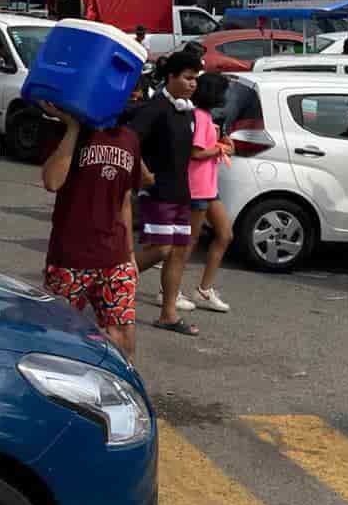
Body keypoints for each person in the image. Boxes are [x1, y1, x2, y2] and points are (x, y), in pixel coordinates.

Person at [39, 105, 141, 359]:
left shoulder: (129, 138)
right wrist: (73, 128)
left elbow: (124, 200)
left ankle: (111, 392)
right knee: (57, 337)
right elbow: (52, 182)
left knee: (123, 338)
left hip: (115, 257)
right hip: (70, 257)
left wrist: (130, 254)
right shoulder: (67, 133)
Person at [129, 47, 206, 335]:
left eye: (195, 79)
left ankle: (168, 315)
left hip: (181, 193)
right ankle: (109, 284)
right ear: (171, 77)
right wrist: (145, 175)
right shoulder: (155, 108)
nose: (192, 84)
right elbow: (130, 142)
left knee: (178, 252)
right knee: (159, 249)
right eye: (187, 78)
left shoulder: (187, 111)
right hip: (158, 192)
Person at [186, 72, 234, 313]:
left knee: (225, 234)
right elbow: (196, 153)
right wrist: (218, 148)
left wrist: (222, 147)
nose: (226, 97)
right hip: (197, 187)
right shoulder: (199, 117)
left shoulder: (205, 117)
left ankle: (204, 289)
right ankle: (169, 291)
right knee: (189, 241)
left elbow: (210, 150)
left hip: (209, 187)